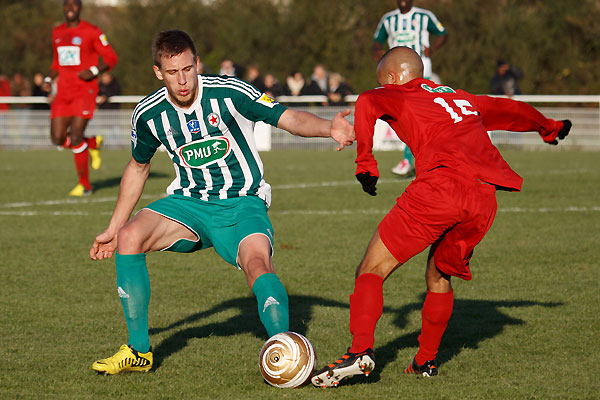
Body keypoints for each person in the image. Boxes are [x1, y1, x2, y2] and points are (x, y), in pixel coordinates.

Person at [89, 30, 354, 375]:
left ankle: (286, 349)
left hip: (242, 201)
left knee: (257, 264)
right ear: (158, 72)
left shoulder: (228, 92)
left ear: (197, 63)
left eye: (188, 69)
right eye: (172, 73)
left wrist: (327, 128)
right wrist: (113, 226)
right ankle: (139, 351)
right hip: (189, 203)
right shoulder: (149, 114)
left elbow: (286, 118)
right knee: (128, 237)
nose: (183, 81)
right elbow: (138, 168)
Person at [311, 47, 571, 388]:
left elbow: (368, 103)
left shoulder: (399, 93)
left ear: (391, 77)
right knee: (438, 275)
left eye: (383, 81)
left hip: (441, 188)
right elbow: (509, 109)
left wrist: (366, 163)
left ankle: (360, 351)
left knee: (371, 269)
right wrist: (549, 126)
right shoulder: (461, 98)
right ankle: (425, 361)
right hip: (483, 198)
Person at [47, 0, 118, 196]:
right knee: (57, 138)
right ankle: (93, 143)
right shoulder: (57, 32)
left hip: (84, 91)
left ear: (80, 7)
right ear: (63, 8)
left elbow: (111, 57)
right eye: (66, 5)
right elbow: (56, 64)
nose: (70, 8)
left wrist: (94, 70)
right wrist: (47, 79)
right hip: (62, 93)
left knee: (77, 135)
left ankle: (85, 185)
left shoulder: (91, 31)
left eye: (74, 5)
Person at [373, 0, 448, 177]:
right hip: (397, 73)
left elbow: (442, 33)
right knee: (408, 115)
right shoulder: (388, 19)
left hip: (421, 68)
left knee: (419, 113)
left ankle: (412, 160)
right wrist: (377, 51)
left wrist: (432, 49)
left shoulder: (424, 16)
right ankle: (417, 159)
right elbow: (377, 41)